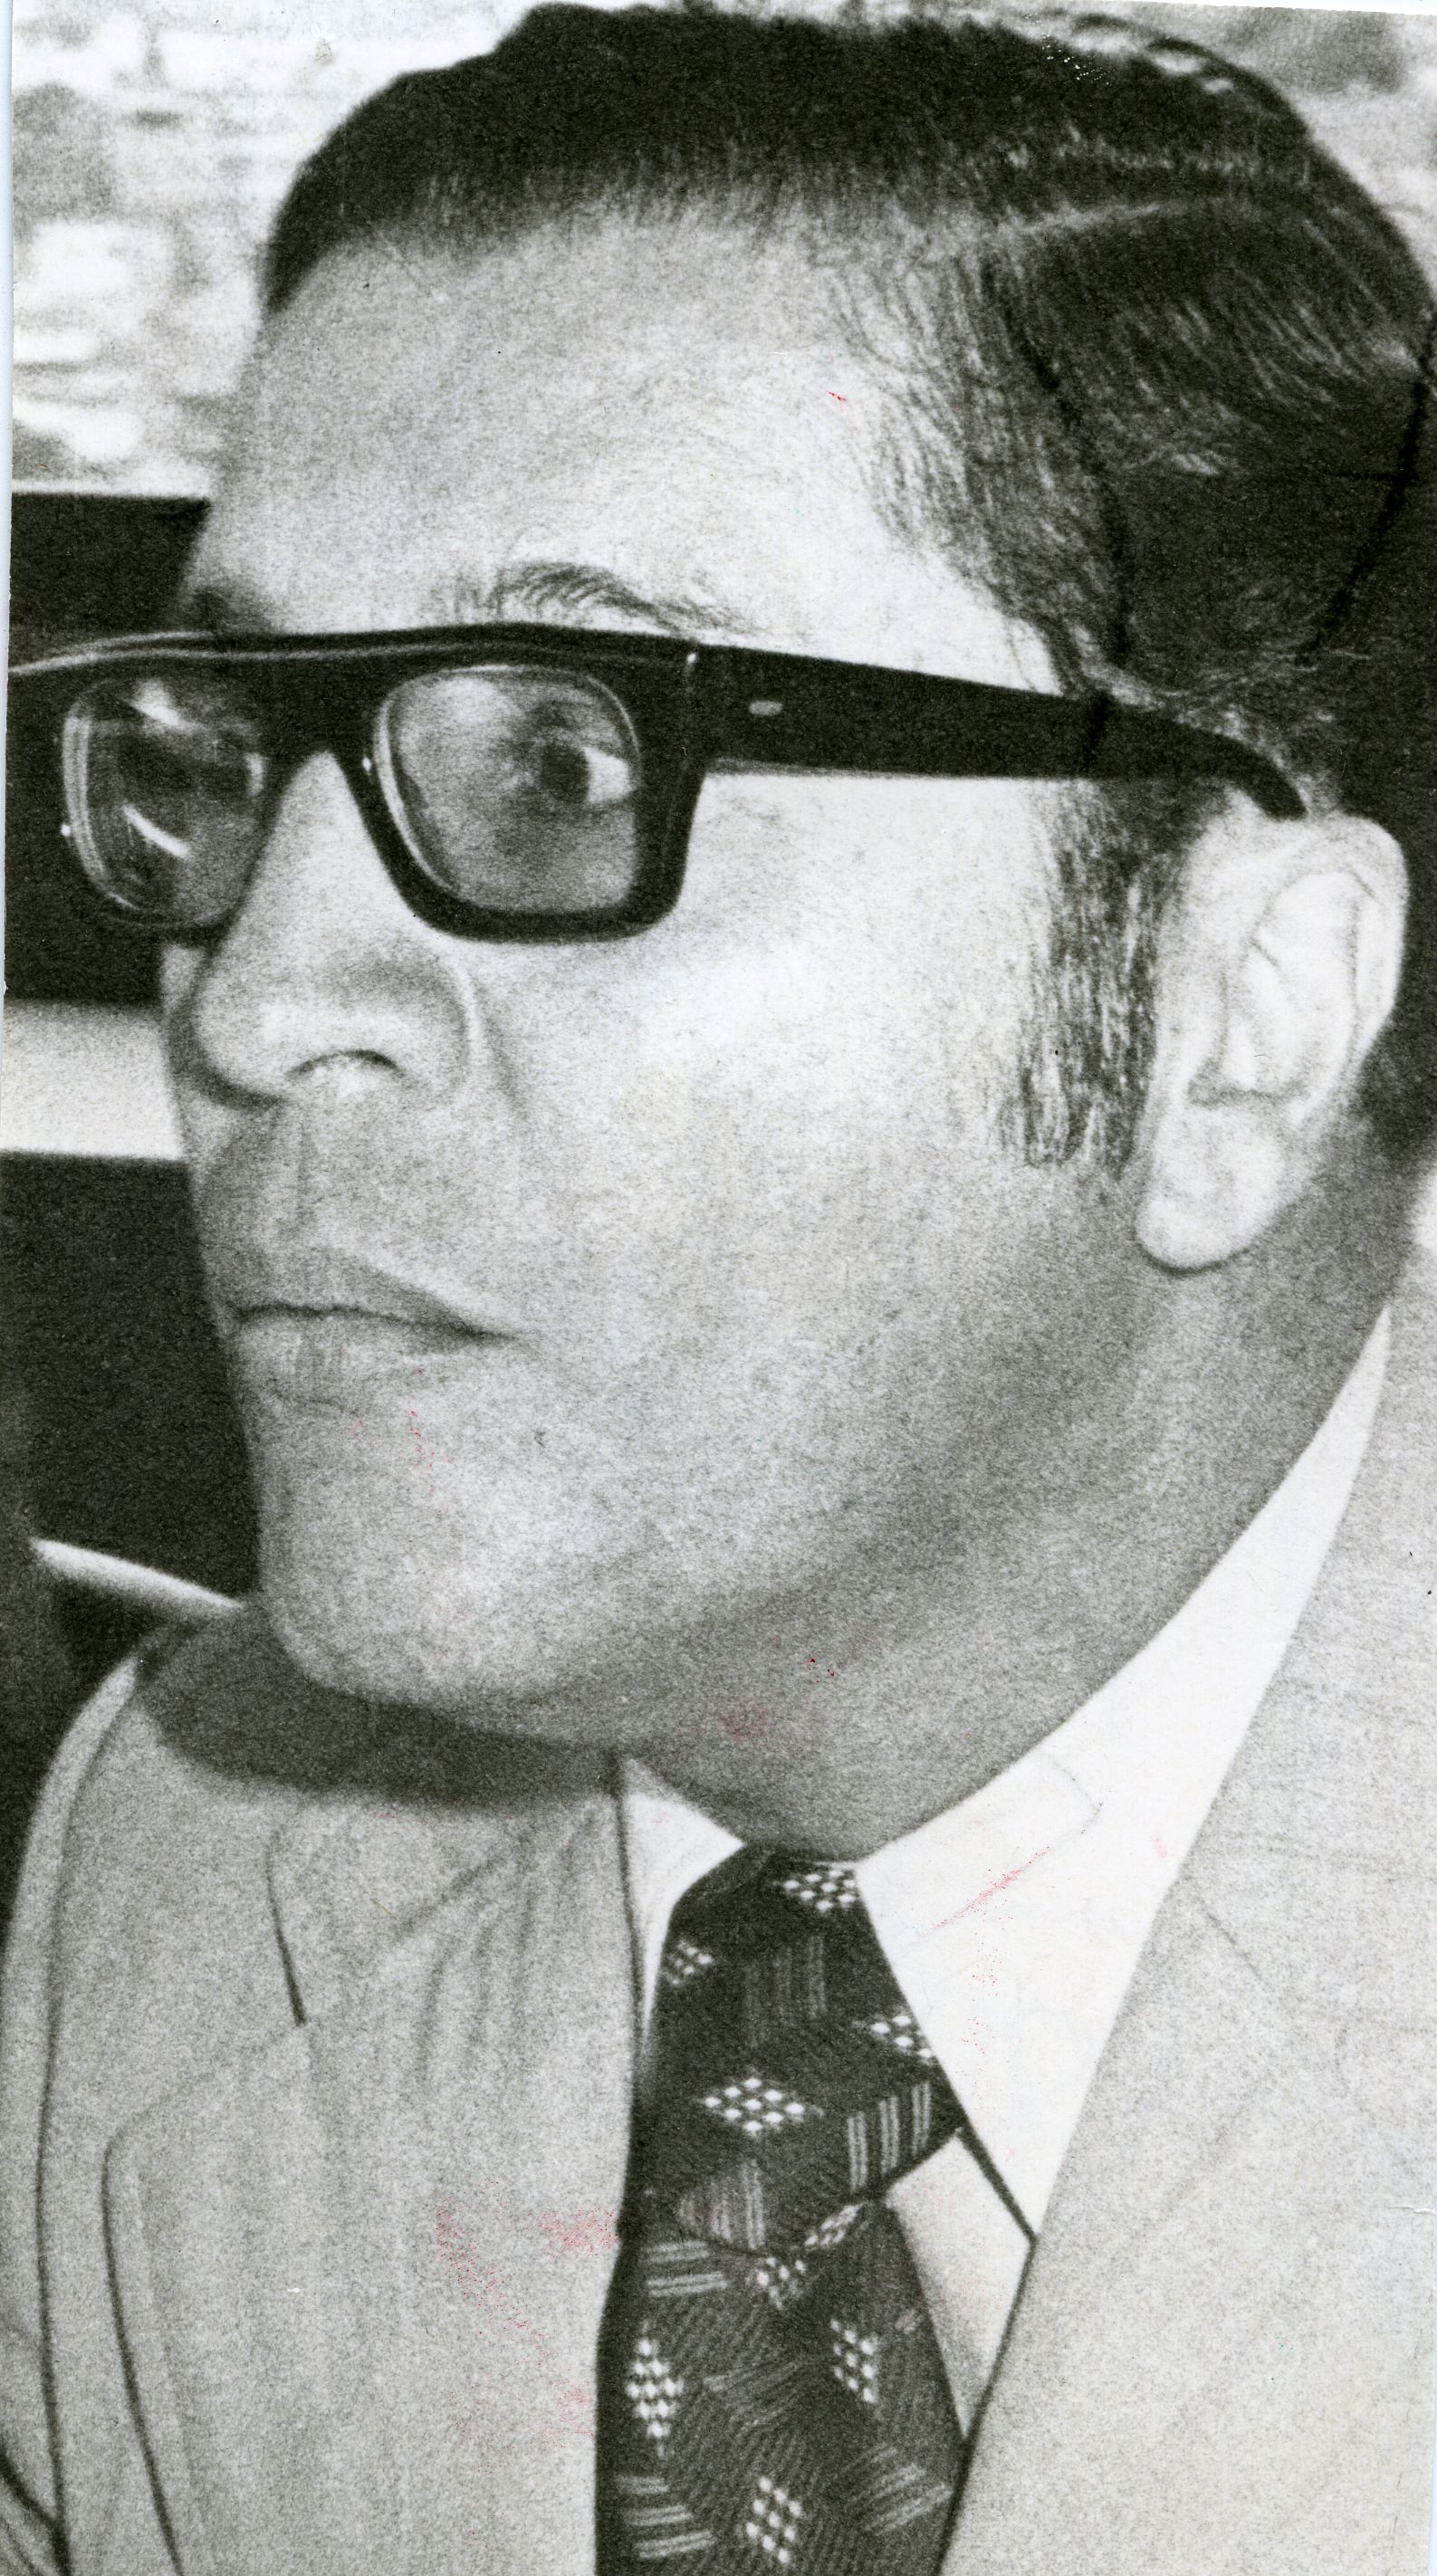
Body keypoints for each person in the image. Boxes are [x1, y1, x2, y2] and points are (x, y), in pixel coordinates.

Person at [1, 8, 1433, 2571]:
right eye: (225, 752)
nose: (252, 998)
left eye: (564, 764)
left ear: (1234, 1017)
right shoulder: (194, 1848)